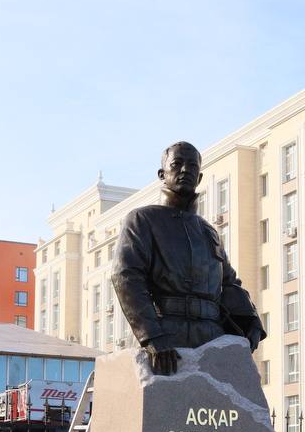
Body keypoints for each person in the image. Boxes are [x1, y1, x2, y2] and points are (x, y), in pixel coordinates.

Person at [111, 141, 266, 375]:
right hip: (167, 334)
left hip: (213, 335)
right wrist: (152, 336)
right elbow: (126, 276)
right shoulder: (143, 219)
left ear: (200, 177)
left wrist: (250, 319)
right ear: (162, 174)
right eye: (177, 164)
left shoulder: (207, 231)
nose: (185, 170)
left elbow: (229, 283)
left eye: (192, 166)